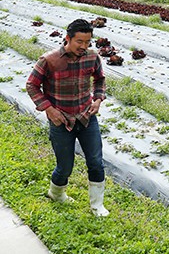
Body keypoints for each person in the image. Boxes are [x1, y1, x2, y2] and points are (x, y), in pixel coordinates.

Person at [26, 18, 109, 217]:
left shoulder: (92, 57)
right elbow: (31, 85)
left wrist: (97, 100)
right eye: (79, 41)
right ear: (67, 39)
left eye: (87, 42)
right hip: (61, 121)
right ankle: (56, 194)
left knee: (96, 162)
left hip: (86, 117)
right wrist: (49, 109)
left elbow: (100, 80)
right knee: (65, 167)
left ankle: (97, 205)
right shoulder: (49, 60)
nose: (84, 46)